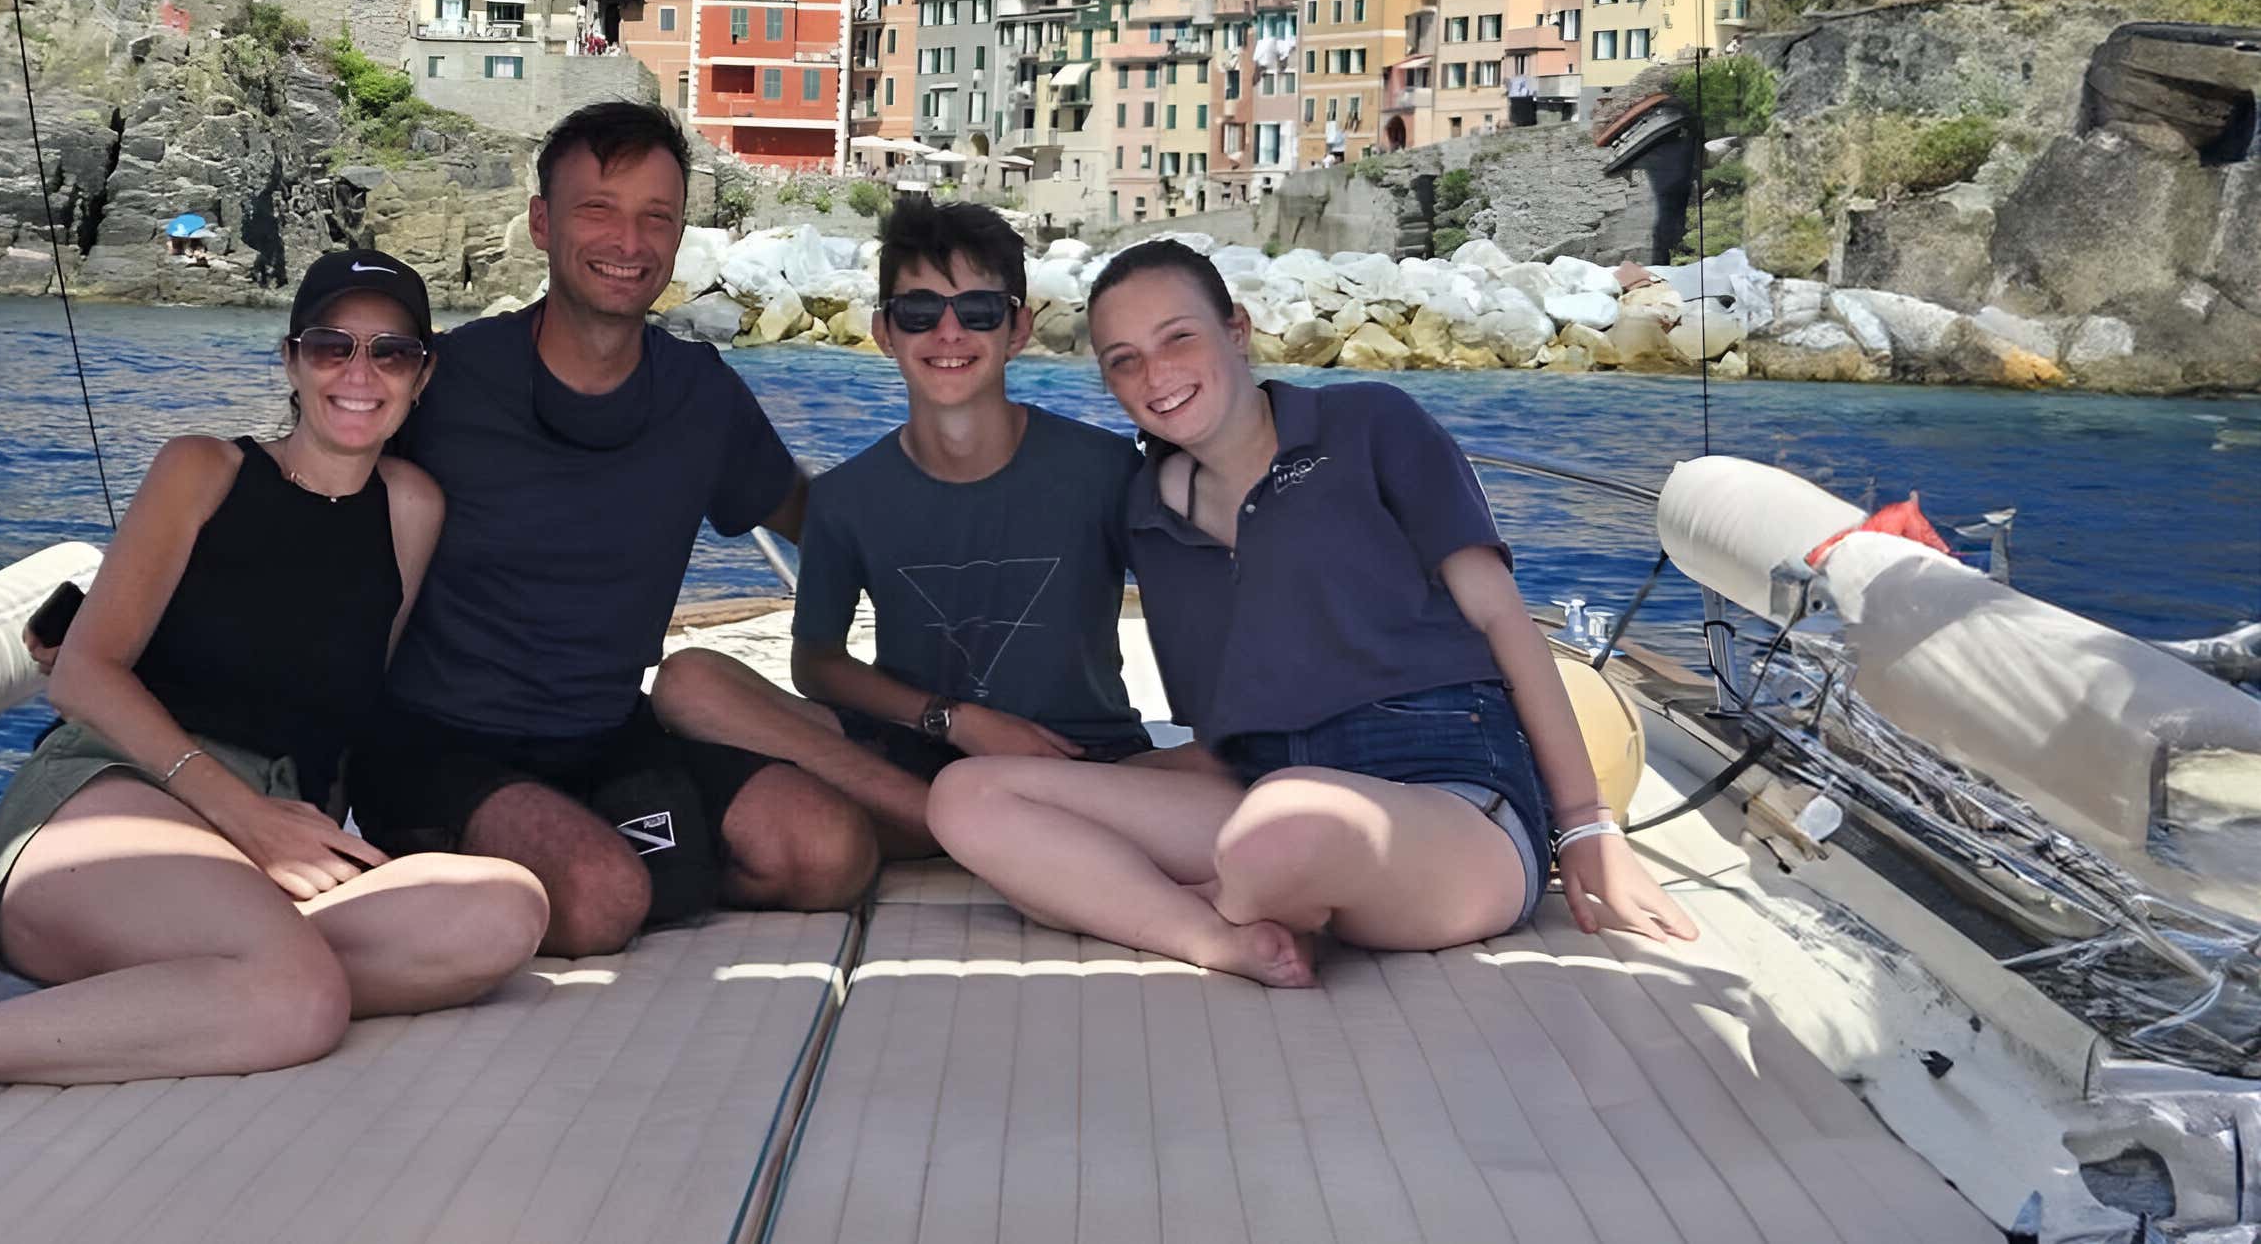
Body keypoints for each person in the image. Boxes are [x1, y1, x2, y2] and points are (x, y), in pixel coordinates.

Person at [0, 252, 548, 1140]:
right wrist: (249, 819)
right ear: (291, 360)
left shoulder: (411, 507)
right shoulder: (202, 469)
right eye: (332, 346)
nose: (359, 373)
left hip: (266, 842)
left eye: (391, 352)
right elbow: (85, 672)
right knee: (300, 996)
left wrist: (301, 824)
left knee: (504, 910)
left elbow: (347, 704)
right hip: (118, 790)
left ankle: (204, 981)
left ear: (422, 375)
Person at [926, 238, 1699, 986]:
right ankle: (1215, 936)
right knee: (970, 797)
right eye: (1123, 359)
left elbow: (1505, 622)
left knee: (1278, 828)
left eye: (1178, 337)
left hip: (1454, 800)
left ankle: (1162, 899)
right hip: (1261, 790)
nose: (1155, 374)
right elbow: (1220, 738)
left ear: (1236, 330)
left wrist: (1587, 824)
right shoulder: (1148, 514)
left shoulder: (1369, 424)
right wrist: (1097, 789)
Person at [343, 102, 880, 959]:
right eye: (598, 209)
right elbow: (311, 511)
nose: (629, 241)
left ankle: (633, 870)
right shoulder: (448, 380)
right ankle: (532, 874)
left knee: (829, 851)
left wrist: (953, 574)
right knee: (601, 898)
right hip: (435, 742)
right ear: (542, 223)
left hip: (605, 734)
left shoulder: (699, 395)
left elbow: (816, 519)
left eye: (656, 216)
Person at [651, 196, 1160, 858]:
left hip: (1081, 759)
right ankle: (966, 826)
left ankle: (970, 830)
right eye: (920, 312)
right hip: (916, 759)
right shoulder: (845, 498)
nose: (948, 333)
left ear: (1018, 329)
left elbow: (1202, 607)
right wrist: (953, 720)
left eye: (978, 310)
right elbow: (818, 664)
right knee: (689, 682)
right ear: (885, 331)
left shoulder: (1107, 470)